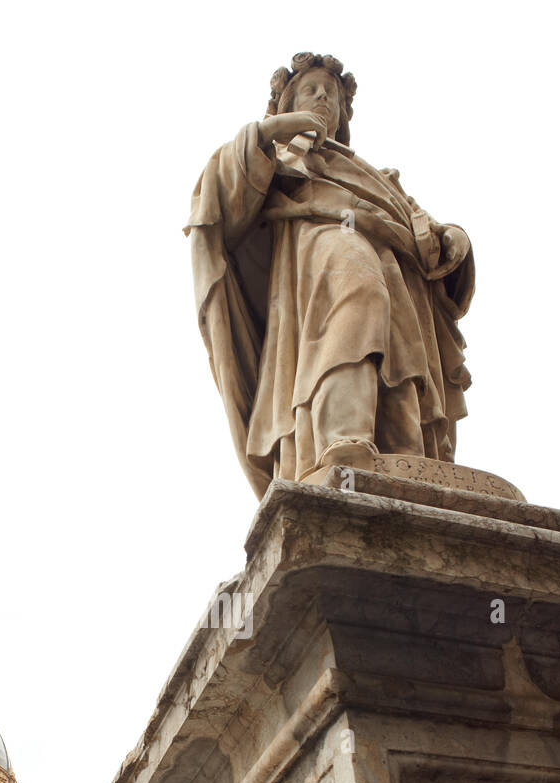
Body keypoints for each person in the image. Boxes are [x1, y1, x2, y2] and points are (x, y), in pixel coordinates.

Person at [187, 51, 475, 497]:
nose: (322, 97)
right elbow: (216, 205)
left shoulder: (377, 178)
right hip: (322, 241)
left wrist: (453, 238)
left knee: (400, 350)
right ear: (285, 102)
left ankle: (404, 453)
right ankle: (343, 437)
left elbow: (424, 226)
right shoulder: (279, 154)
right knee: (358, 293)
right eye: (310, 90)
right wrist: (266, 133)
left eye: (331, 94)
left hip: (395, 260)